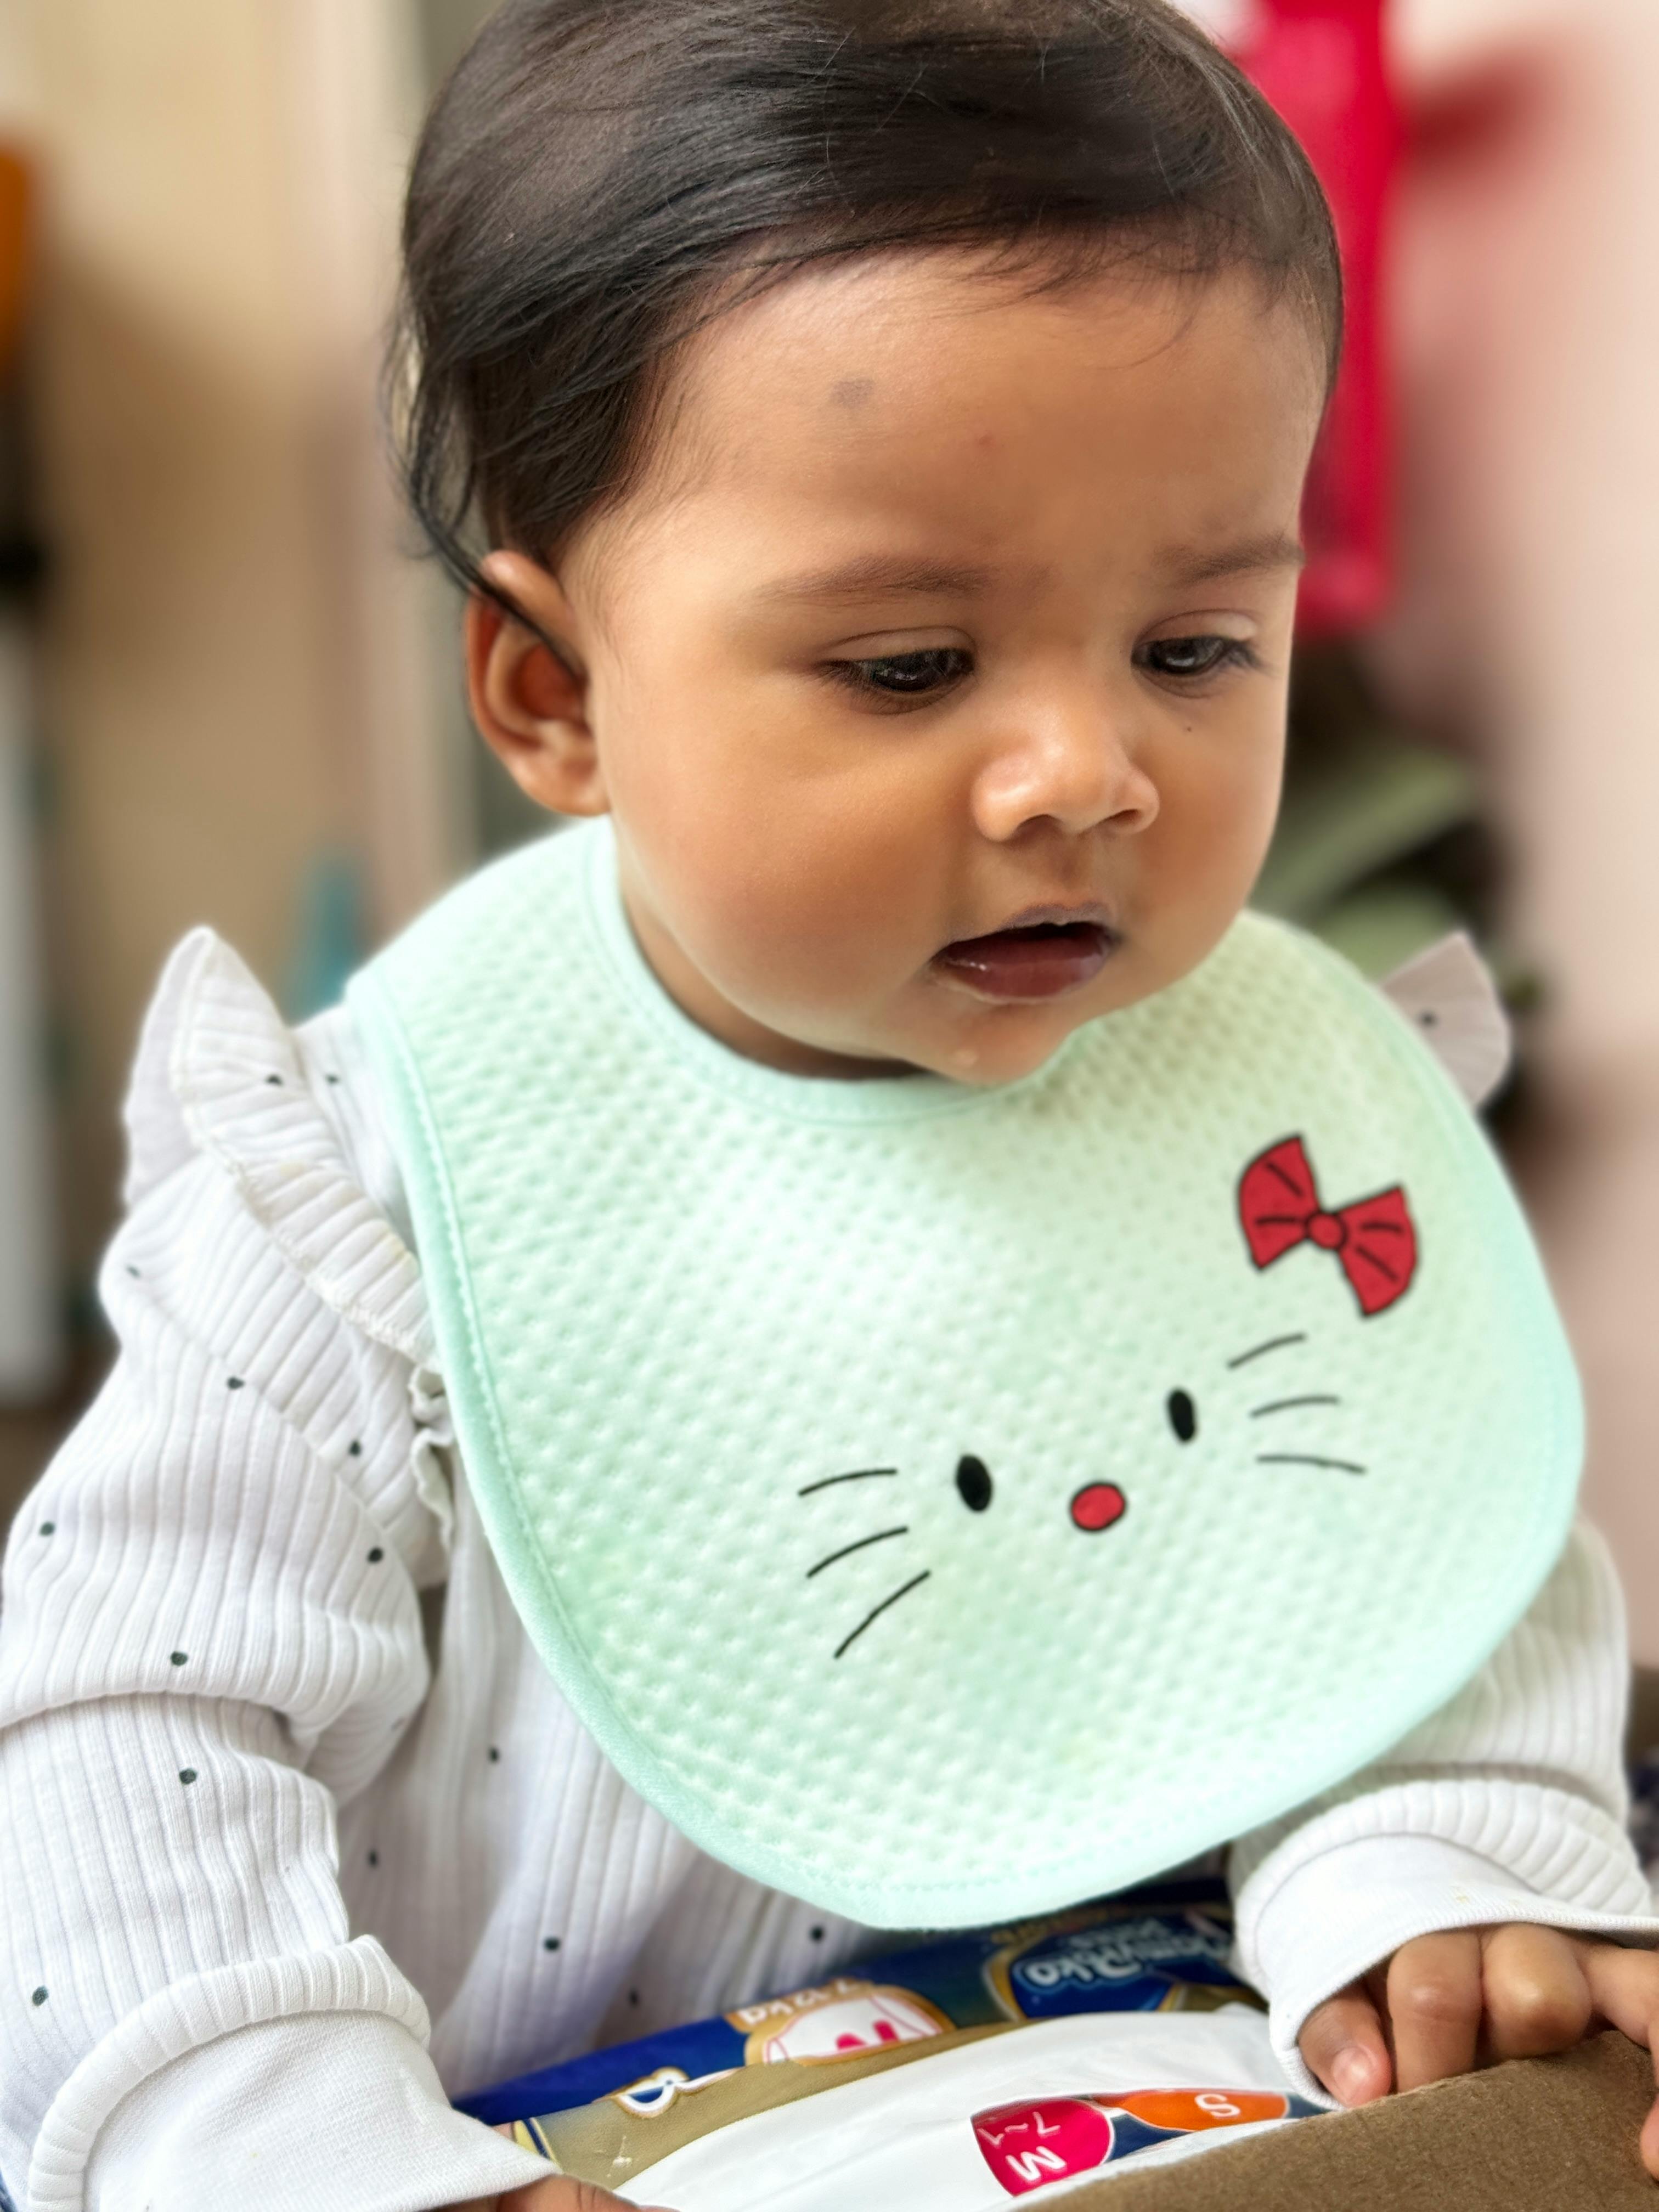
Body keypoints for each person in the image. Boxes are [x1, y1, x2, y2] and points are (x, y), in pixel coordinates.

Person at [3, 3, 1657, 2208]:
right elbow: (123, 1725)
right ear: (551, 691)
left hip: (1118, 2061)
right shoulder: (372, 1204)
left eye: (1195, 646)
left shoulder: (1269, 1104)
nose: (1090, 773)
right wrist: (281, 2130)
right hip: (513, 2114)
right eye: (906, 666)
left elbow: (1414, 1526)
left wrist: (1437, 1858)